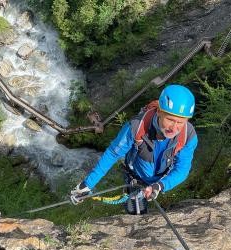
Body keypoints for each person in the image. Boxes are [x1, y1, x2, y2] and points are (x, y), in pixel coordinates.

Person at [70, 84, 198, 214]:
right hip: (136, 180)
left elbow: (182, 169)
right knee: (136, 212)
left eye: (181, 122)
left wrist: (160, 186)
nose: (174, 128)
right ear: (159, 111)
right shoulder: (136, 127)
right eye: (170, 120)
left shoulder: (188, 135)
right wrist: (87, 184)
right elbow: (113, 153)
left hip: (162, 180)